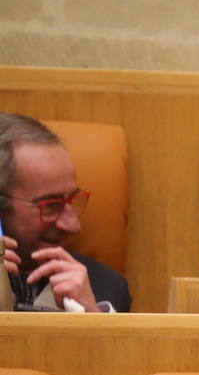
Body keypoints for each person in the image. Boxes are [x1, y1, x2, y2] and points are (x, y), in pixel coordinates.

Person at [0, 112, 130, 313]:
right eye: (50, 206)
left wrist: (92, 317)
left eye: (73, 200)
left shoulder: (106, 288)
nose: (73, 225)